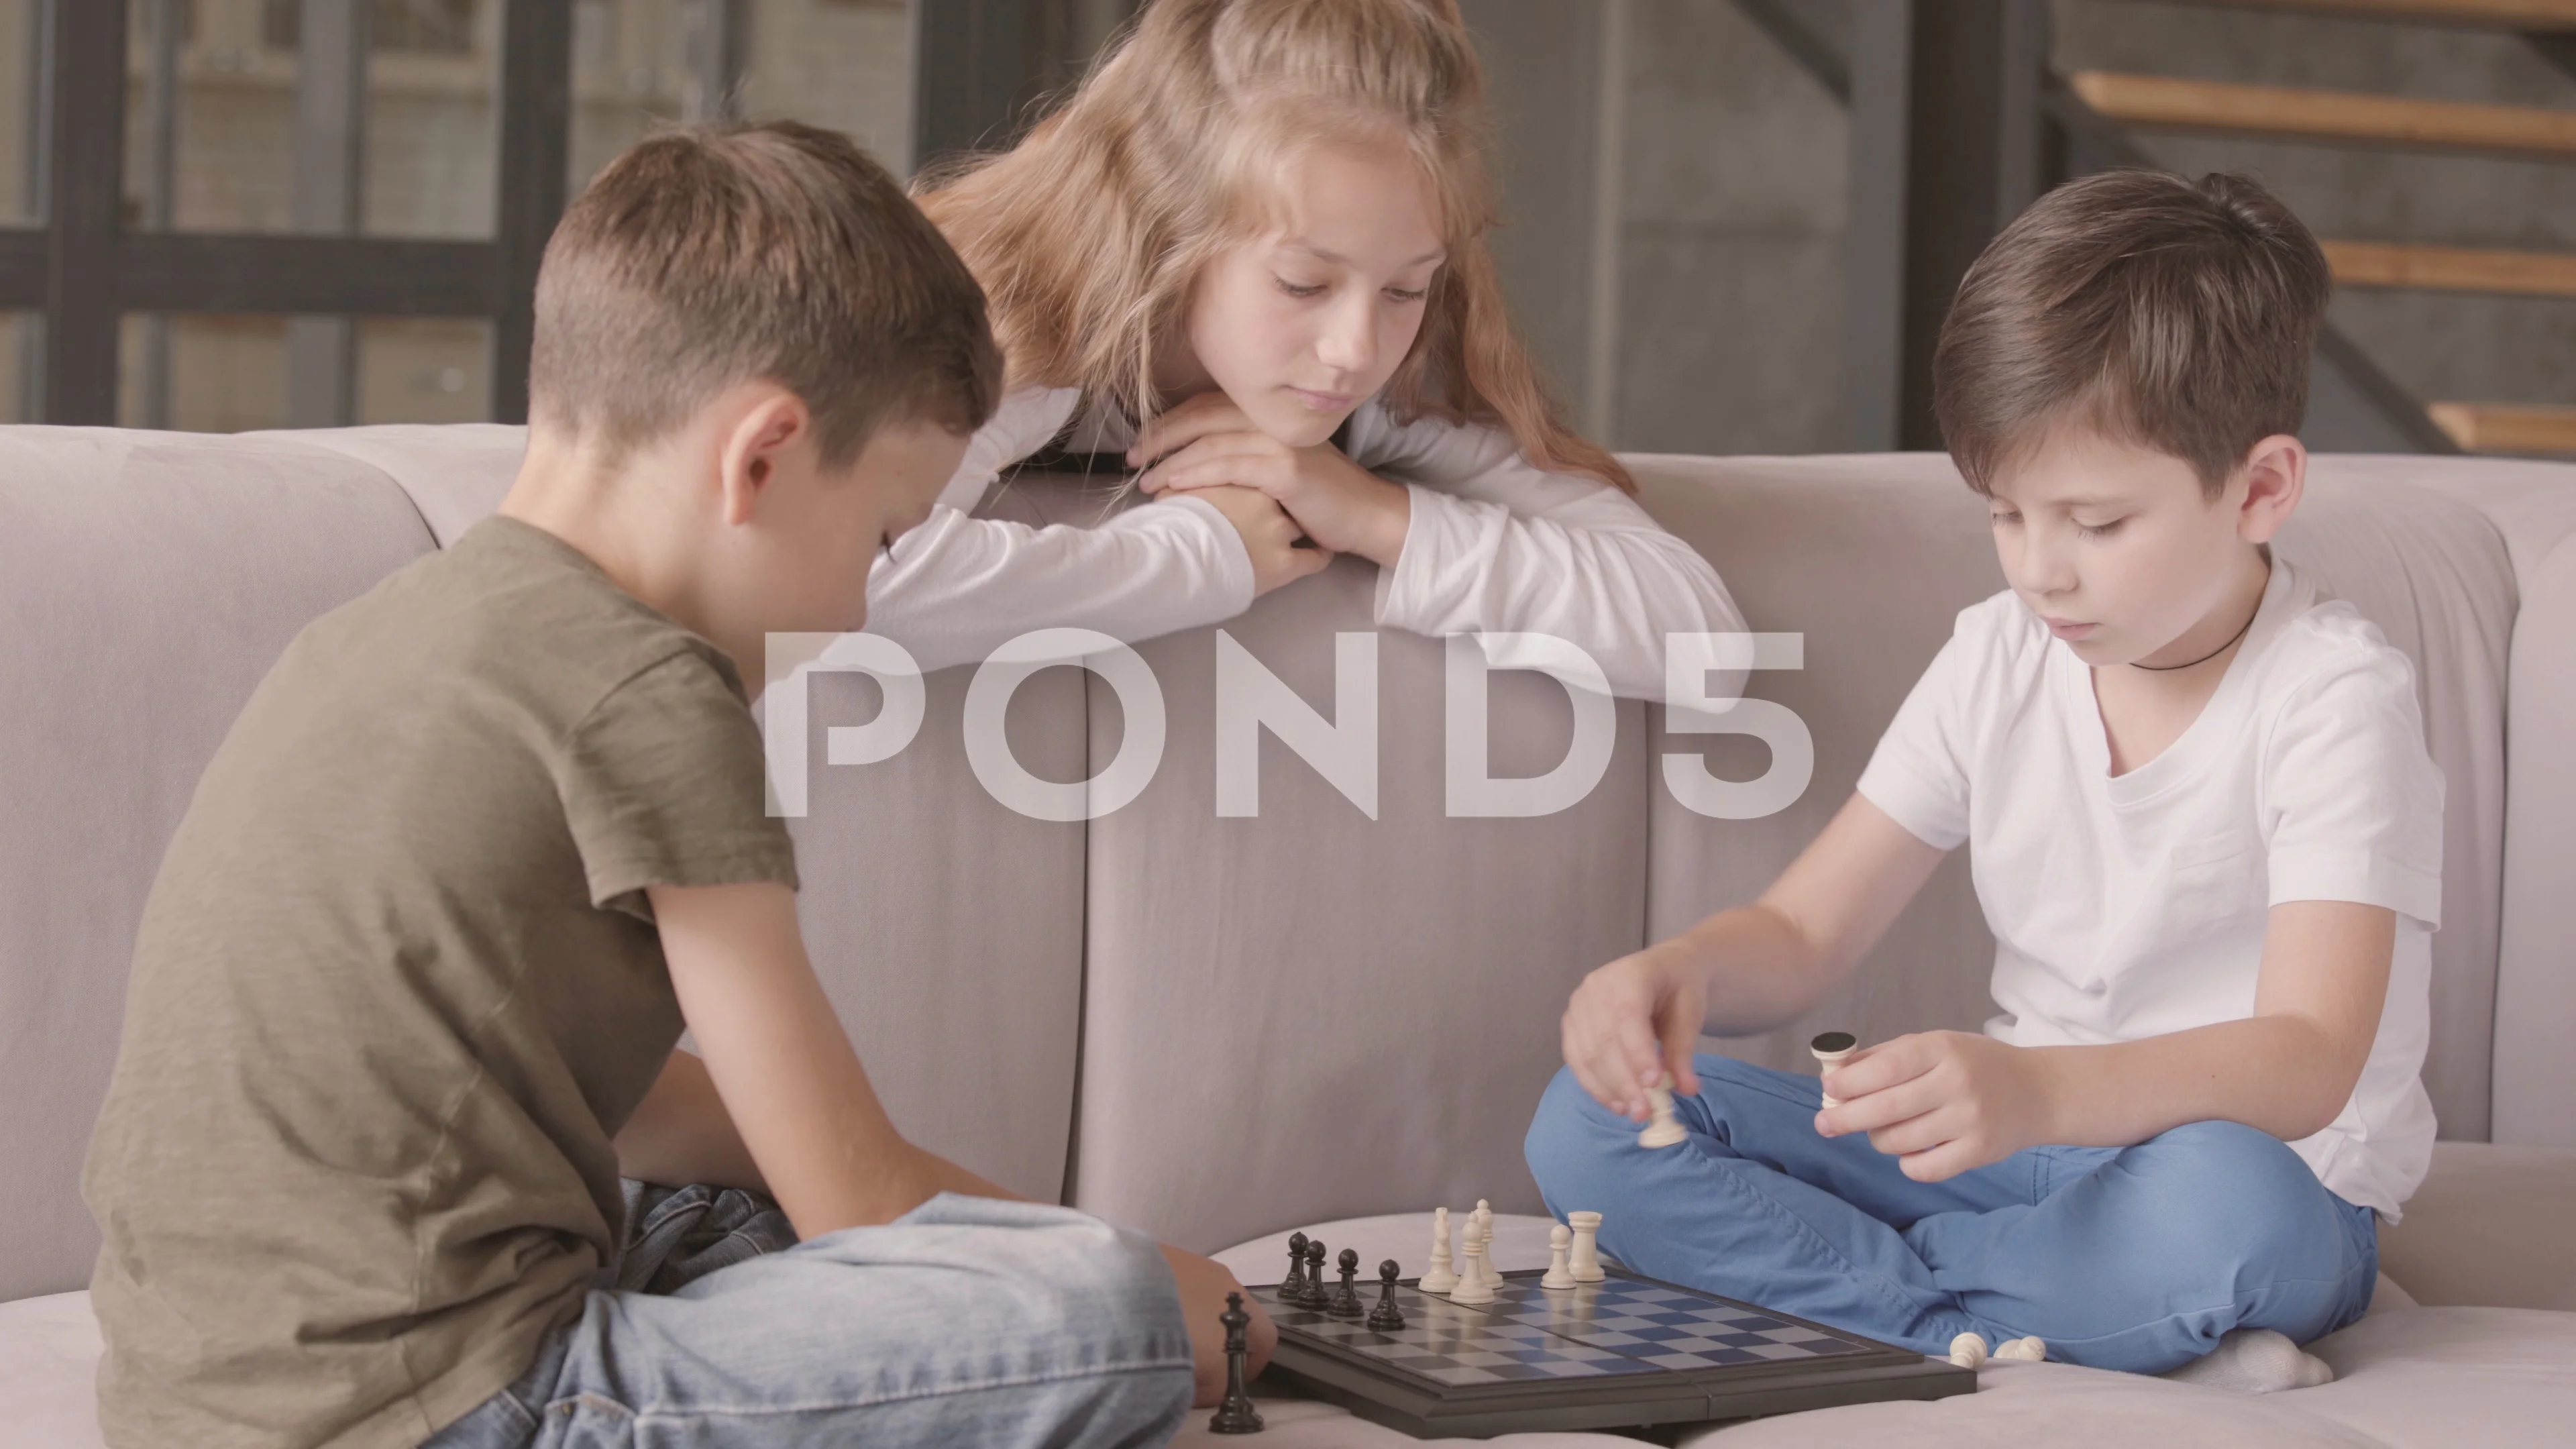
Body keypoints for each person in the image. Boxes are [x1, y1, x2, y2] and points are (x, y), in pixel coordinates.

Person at [80, 121, 1266, 1449]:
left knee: (734, 1214)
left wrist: (976, 1241)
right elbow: (857, 1203)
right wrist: (1176, 1291)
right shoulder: (649, 690)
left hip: (199, 1399)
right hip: (446, 1406)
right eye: (879, 536)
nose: (858, 601)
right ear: (759, 456)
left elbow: (634, 1108)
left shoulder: (391, 637)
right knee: (1103, 1311)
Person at [1523, 170, 2445, 1382]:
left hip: (2247, 1170)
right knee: (1591, 1125)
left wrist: (2037, 1092)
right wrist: (1677, 970)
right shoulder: (1998, 655)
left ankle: (1899, 1294)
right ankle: (2007, 1320)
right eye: (2006, 514)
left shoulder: (2335, 697)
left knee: (2232, 1211)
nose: (2040, 572)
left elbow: (2311, 1053)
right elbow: (1804, 929)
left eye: (2097, 524)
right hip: (2015, 1153)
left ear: (2260, 488)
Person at [855, 0, 1742, 697]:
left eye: (1405, 287)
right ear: (1170, 229)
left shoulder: (1398, 385)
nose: (1357, 350)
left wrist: (1366, 511)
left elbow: (1703, 643)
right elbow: (852, 584)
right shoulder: (1024, 323)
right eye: (1302, 284)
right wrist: (1206, 555)